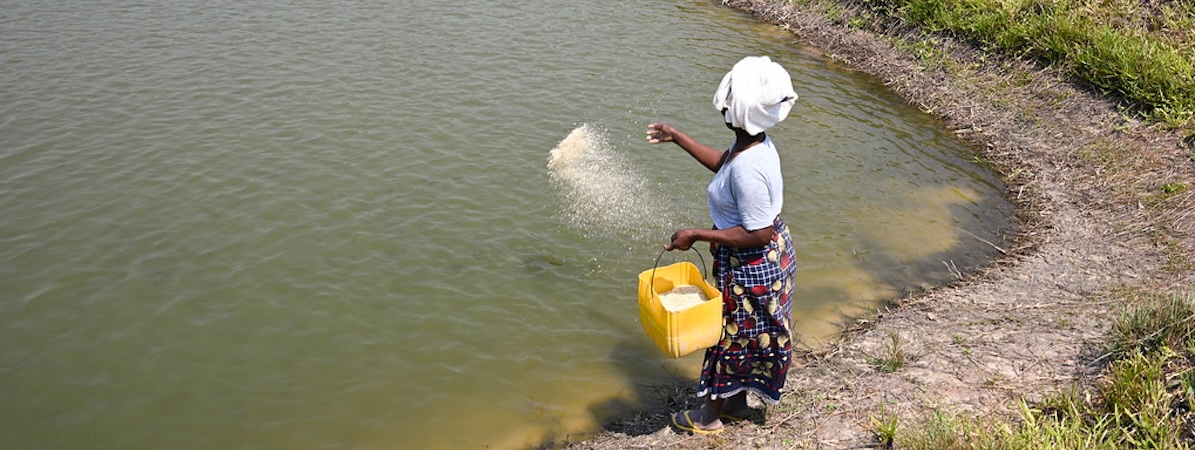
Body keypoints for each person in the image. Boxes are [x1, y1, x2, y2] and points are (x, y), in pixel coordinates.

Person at [645, 56, 799, 435]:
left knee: (728, 336)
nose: (724, 107)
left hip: (752, 263)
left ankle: (708, 418)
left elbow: (757, 232)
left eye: (729, 102)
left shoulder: (749, 167)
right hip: (769, 257)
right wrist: (678, 137)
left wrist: (697, 235)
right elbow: (724, 165)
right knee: (746, 334)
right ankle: (737, 403)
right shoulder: (754, 145)